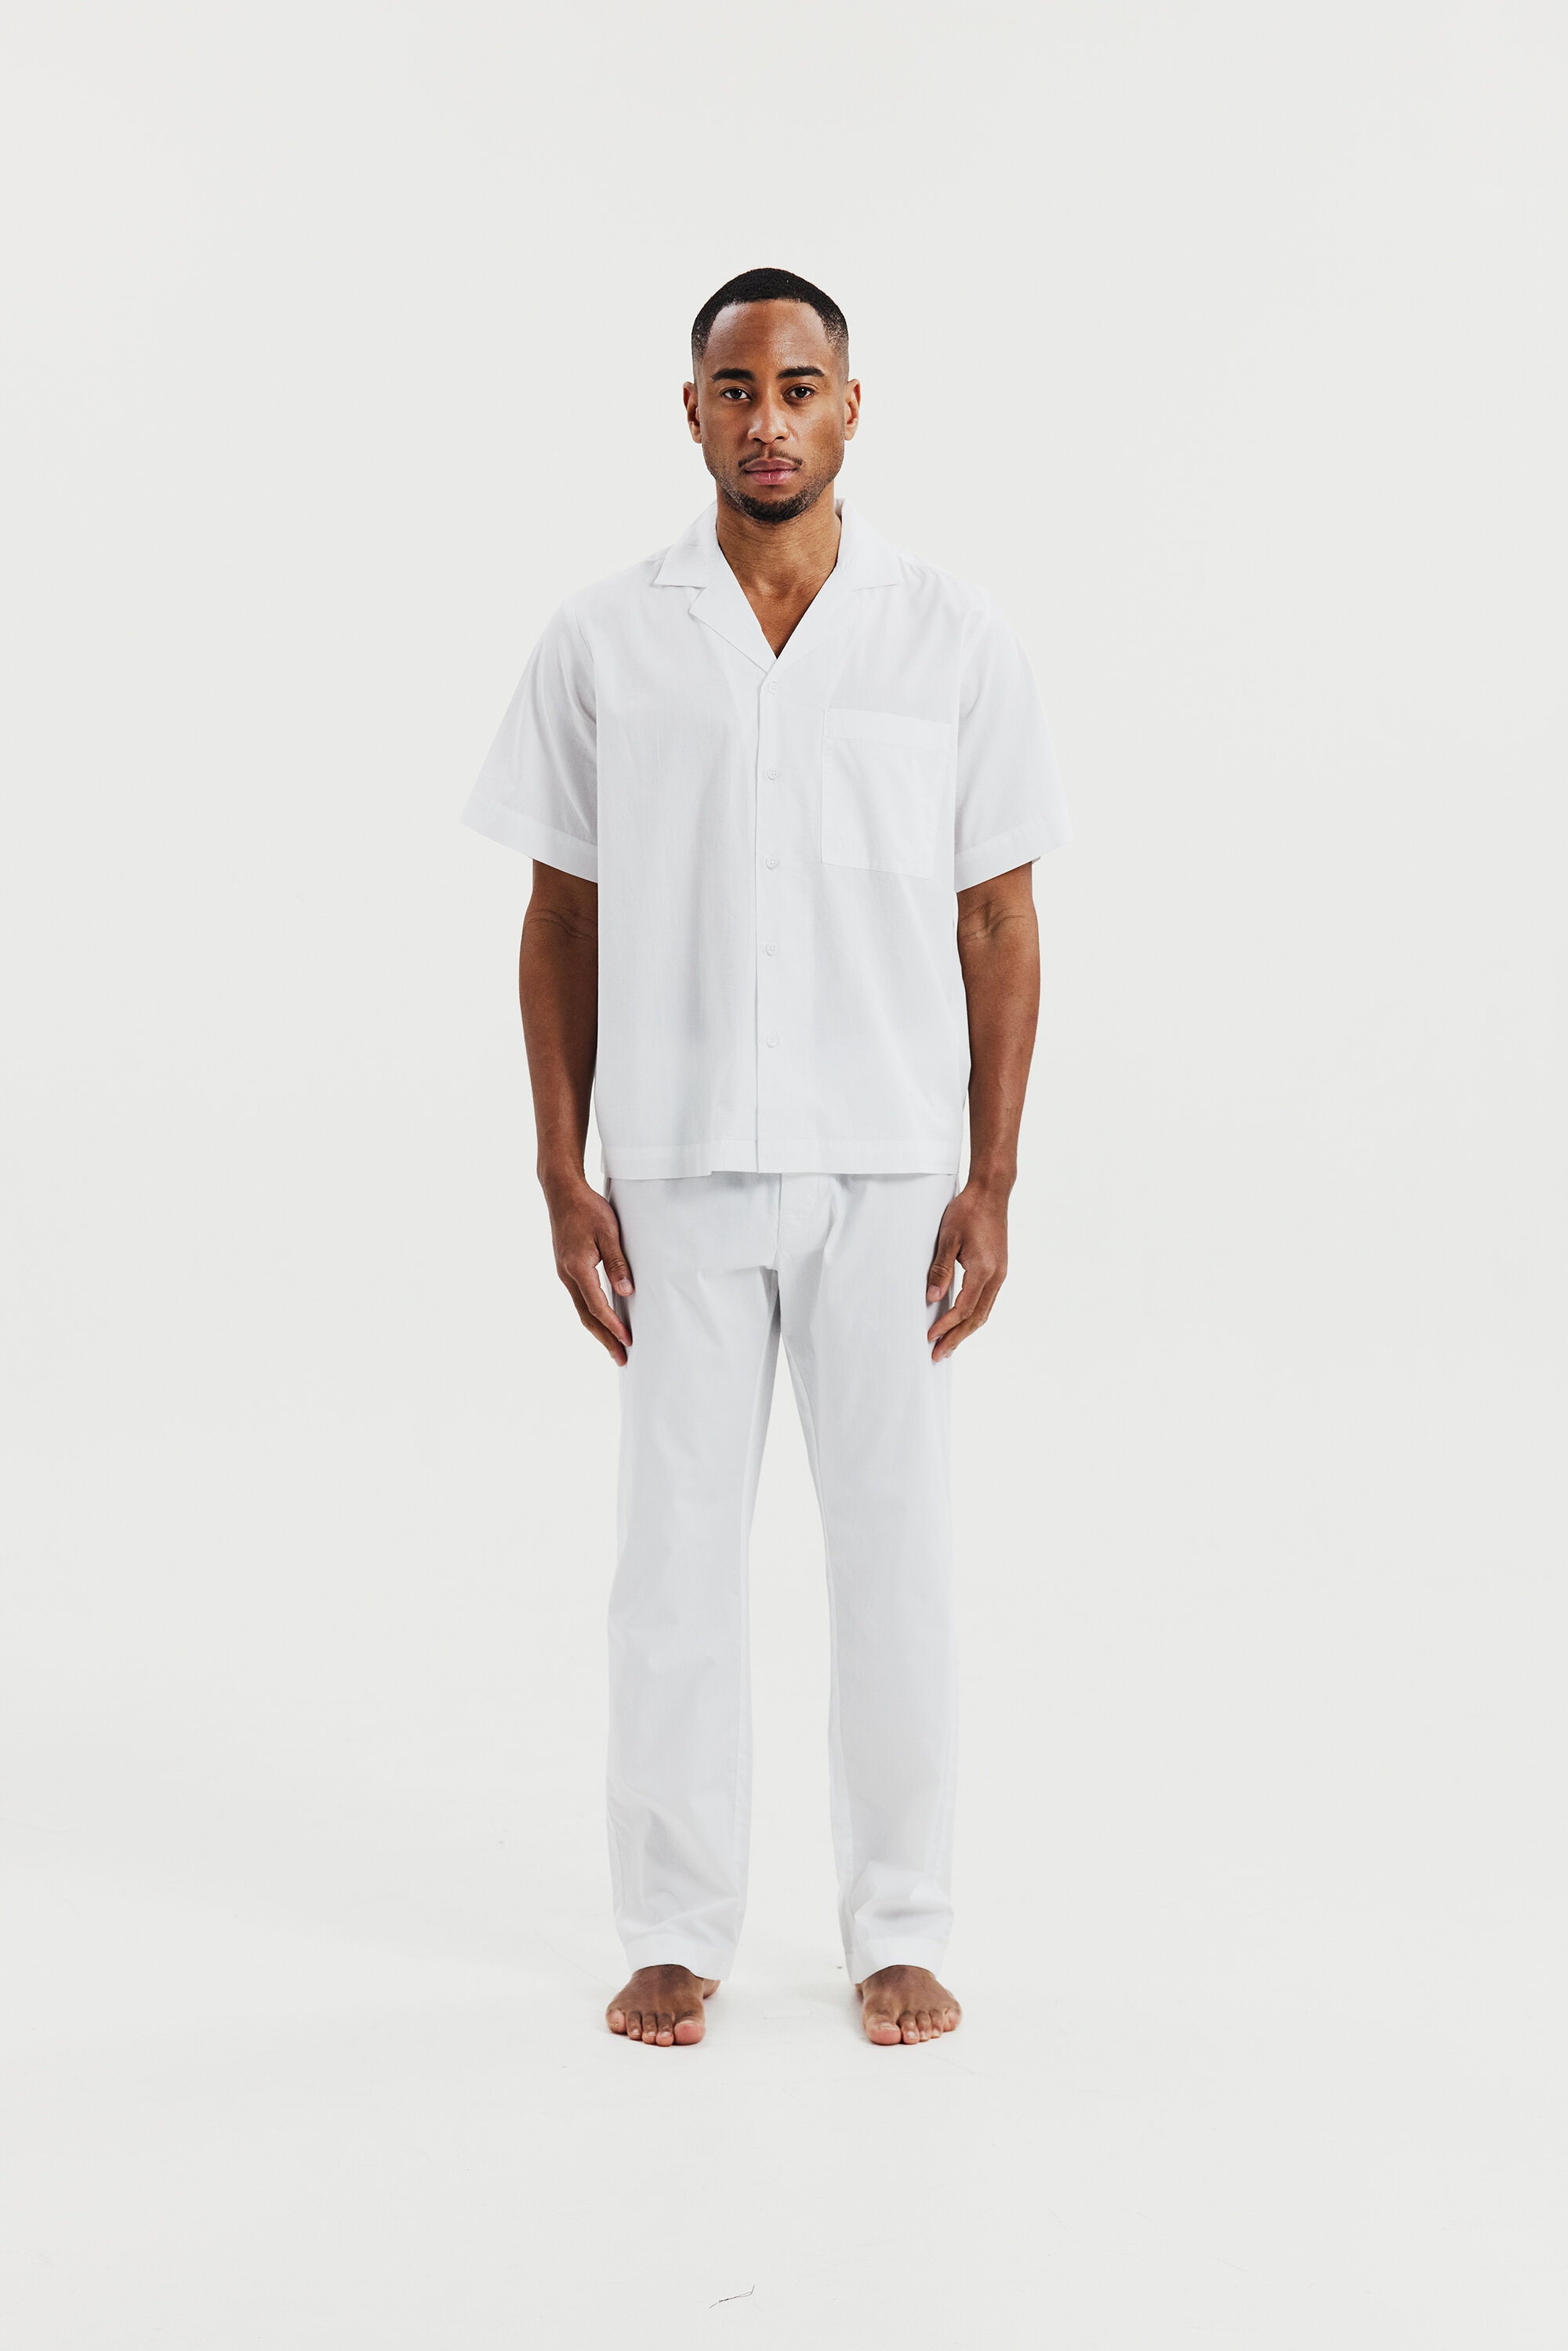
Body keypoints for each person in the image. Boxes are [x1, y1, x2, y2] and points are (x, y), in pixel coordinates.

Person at [463, 266, 1069, 2048]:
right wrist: (561, 1171)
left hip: (888, 1171)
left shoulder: (950, 637)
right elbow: (558, 918)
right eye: (737, 390)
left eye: (801, 387)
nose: (770, 420)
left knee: (895, 1561)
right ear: (692, 412)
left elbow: (999, 920)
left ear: (851, 407)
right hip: (675, 1164)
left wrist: (992, 1177)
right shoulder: (607, 638)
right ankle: (674, 1927)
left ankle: (902, 1922)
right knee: (671, 1569)